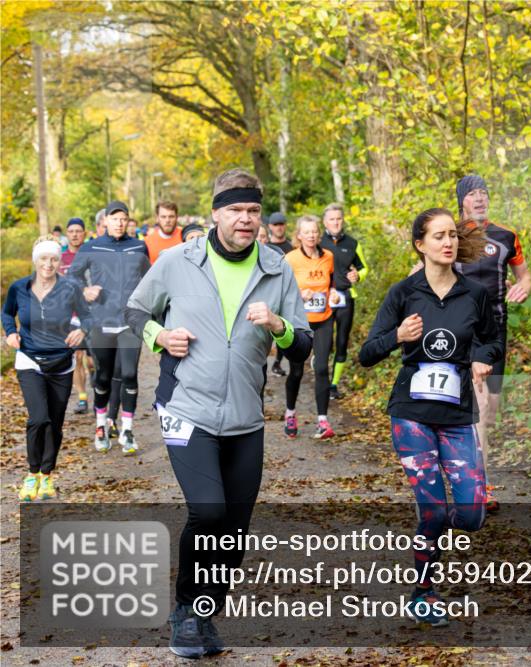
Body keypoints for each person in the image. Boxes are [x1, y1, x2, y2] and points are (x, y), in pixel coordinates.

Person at [125, 168, 312, 658]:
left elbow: (303, 345)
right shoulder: (176, 262)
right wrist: (160, 337)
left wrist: (279, 326)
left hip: (246, 418)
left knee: (235, 525)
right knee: (207, 510)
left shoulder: (276, 268)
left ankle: (205, 613)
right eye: (236, 210)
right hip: (186, 408)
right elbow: (135, 312)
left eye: (253, 210)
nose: (246, 219)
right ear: (216, 212)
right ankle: (185, 612)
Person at [359, 207, 500, 627]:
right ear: (420, 244)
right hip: (411, 414)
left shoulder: (473, 294)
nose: (448, 242)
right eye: (438, 235)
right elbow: (367, 354)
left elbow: (492, 341)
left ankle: (431, 524)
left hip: (457, 414)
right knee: (434, 509)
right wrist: (398, 336)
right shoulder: (403, 293)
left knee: (472, 514)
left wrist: (480, 359)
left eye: (453, 235)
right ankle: (423, 590)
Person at [452, 175, 531, 512]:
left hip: (497, 330)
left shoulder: (507, 236)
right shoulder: (451, 235)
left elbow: (524, 275)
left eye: (484, 192)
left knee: (490, 409)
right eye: (472, 194)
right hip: (463, 330)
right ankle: (478, 488)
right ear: (462, 201)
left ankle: (458, 462)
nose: (480, 198)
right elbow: (425, 271)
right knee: (481, 408)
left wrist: (525, 286)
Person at [3, 236, 91, 501]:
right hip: (29, 360)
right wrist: (10, 333)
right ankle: (31, 475)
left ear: (58, 261)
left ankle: (47, 475)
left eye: (53, 258)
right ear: (35, 260)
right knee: (39, 418)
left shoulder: (70, 288)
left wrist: (82, 331)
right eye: (43, 258)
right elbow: (7, 313)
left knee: (55, 422)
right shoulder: (19, 288)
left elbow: (87, 316)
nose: (48, 264)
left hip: (62, 364)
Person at [67, 201, 150, 455]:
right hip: (101, 322)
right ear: (105, 222)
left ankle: (127, 430)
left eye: (124, 219)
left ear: (128, 221)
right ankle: (101, 425)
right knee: (102, 378)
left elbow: (150, 280)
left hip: (129, 323)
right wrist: (84, 290)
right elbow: (71, 276)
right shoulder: (92, 247)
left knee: (129, 375)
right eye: (115, 219)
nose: (119, 223)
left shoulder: (138, 246)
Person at [282, 215, 339, 439]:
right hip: (299, 323)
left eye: (314, 231)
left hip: (323, 319)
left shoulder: (329, 257)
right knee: (296, 371)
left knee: (323, 368)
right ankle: (290, 413)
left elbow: (332, 282)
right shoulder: (290, 259)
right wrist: (299, 295)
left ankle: (323, 421)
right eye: (307, 232)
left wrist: (333, 292)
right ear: (299, 235)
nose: (312, 235)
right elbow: (282, 291)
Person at [319, 203, 368, 399]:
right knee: (325, 342)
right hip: (322, 299)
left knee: (341, 342)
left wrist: (359, 276)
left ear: (343, 220)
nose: (336, 222)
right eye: (332, 219)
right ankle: (321, 375)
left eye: (339, 218)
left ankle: (333, 385)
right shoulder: (318, 242)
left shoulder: (353, 243)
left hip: (346, 298)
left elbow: (363, 268)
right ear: (325, 222)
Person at [60, 218, 92, 414]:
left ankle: (98, 384)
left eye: (78, 231)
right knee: (77, 357)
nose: (74, 234)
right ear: (67, 234)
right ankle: (82, 397)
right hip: (71, 316)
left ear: (84, 233)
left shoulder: (92, 255)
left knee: (92, 361)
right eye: (71, 231)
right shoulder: (59, 258)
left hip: (93, 314)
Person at [266, 212, 295, 377]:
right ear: (270, 226)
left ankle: (278, 361)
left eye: (281, 224)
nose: (279, 227)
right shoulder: (266, 248)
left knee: (285, 327)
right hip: (272, 293)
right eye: (276, 225)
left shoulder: (292, 247)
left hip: (289, 292)